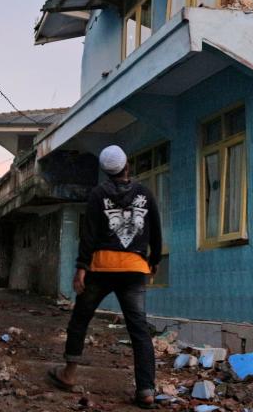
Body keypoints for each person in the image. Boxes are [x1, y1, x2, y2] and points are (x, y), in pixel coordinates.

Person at [48, 145, 162, 409]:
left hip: (101, 268)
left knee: (80, 319)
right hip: (134, 269)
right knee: (139, 331)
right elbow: (155, 231)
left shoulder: (98, 194)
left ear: (105, 171)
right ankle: (146, 390)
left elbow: (88, 235)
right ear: (127, 166)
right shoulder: (145, 193)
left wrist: (81, 268)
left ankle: (69, 374)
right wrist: (153, 261)